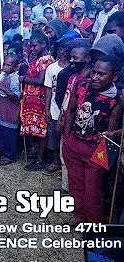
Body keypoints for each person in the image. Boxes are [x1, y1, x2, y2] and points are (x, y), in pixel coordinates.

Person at [63, 56, 121, 224]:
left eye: (101, 74)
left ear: (114, 77)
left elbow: (111, 129)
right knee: (76, 185)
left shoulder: (117, 99)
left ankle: (93, 225)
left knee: (93, 191)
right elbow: (71, 110)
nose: (95, 77)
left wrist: (103, 157)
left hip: (97, 150)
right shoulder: (82, 86)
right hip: (74, 142)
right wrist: (67, 138)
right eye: (94, 72)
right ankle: (79, 216)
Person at [56, 39, 92, 193]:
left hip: (79, 126)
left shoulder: (89, 80)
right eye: (71, 57)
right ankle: (67, 188)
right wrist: (61, 118)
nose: (71, 61)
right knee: (65, 156)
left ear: (87, 58)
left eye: (76, 58)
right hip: (66, 120)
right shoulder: (72, 77)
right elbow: (65, 99)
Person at [20, 31, 55, 171]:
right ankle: (39, 156)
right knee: (38, 130)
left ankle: (41, 160)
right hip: (34, 99)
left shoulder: (45, 60)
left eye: (34, 46)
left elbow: (41, 80)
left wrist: (24, 79)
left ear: (43, 44)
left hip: (40, 100)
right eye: (30, 47)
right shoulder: (39, 59)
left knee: (42, 130)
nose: (32, 49)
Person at [42, 35, 72, 175]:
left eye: (65, 49)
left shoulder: (73, 69)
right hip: (54, 106)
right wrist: (47, 108)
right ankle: (55, 160)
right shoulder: (51, 68)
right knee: (53, 134)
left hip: (68, 108)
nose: (62, 52)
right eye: (60, 49)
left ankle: (65, 162)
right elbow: (48, 90)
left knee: (66, 135)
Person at [0, 55, 22, 165]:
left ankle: (10, 156)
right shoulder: (3, 75)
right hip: (0, 110)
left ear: (15, 67)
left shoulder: (15, 78)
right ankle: (3, 152)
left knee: (9, 135)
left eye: (8, 65)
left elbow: (15, 96)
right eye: (4, 64)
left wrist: (2, 86)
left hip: (10, 112)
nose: (5, 67)